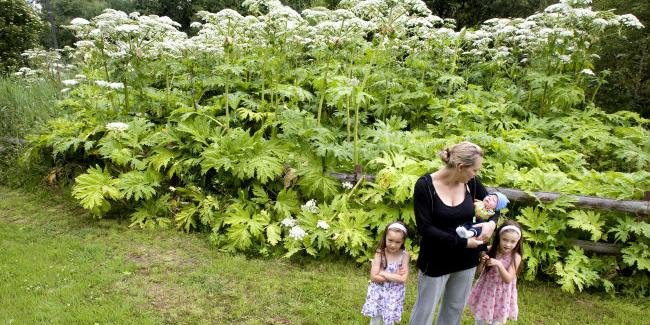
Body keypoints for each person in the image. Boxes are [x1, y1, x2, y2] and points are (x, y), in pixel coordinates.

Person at [409, 141, 499, 325]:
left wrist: (491, 224)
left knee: (453, 311)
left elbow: (493, 206)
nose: (476, 174)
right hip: (435, 260)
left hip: (466, 261)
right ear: (460, 167)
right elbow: (425, 229)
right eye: (474, 170)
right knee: (423, 313)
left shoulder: (471, 183)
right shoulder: (425, 186)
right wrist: (464, 243)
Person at [467, 220, 523, 325]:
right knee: (480, 317)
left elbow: (508, 279)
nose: (508, 244)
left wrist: (499, 264)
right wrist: (482, 262)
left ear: (518, 241)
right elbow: (477, 274)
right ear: (499, 238)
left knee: (495, 320)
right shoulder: (491, 250)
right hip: (487, 289)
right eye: (505, 240)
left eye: (513, 241)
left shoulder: (515, 257)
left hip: (502, 294)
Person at [362, 222, 411, 325]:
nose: (393, 245)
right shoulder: (380, 253)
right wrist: (395, 276)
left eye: (398, 242)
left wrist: (382, 272)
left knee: (389, 318)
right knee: (376, 317)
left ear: (403, 241)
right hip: (378, 292)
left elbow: (403, 279)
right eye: (390, 240)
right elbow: (374, 277)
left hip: (394, 293)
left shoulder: (405, 255)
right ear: (385, 238)